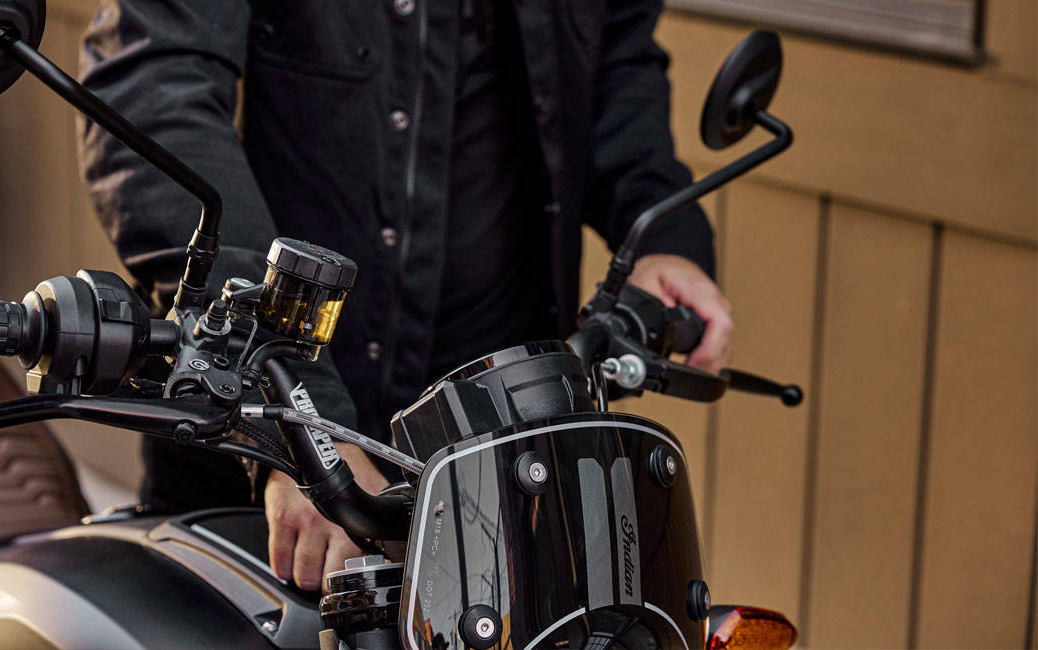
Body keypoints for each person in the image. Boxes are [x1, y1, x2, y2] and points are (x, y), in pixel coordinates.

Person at [78, 0, 733, 592]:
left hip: (507, 453)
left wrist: (662, 234)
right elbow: (156, 91)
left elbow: (617, 67)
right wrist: (296, 419)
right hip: (260, 433)